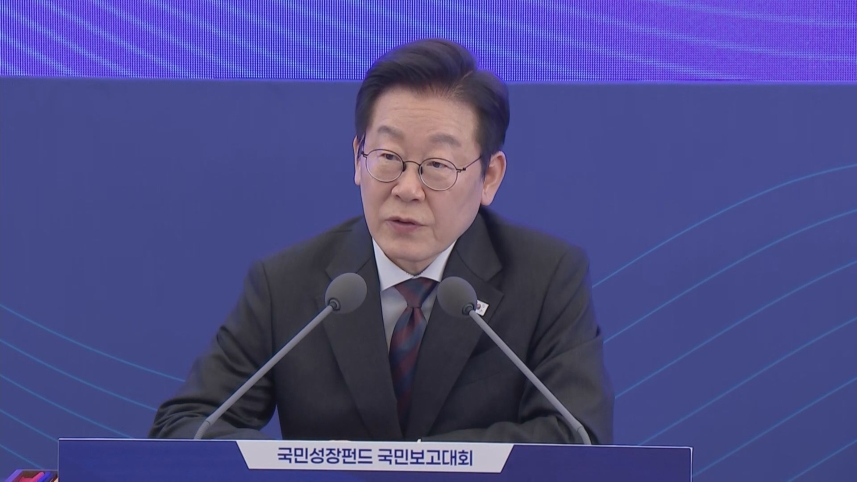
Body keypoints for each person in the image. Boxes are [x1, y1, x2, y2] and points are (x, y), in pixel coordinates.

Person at [149, 38, 614, 444]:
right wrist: (316, 468)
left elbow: (576, 434)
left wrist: (408, 466)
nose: (407, 189)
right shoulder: (286, 285)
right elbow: (186, 427)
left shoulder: (546, 278)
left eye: (437, 166)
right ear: (358, 159)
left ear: (489, 176)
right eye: (388, 157)